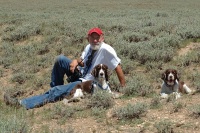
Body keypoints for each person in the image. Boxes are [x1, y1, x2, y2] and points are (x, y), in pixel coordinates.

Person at [4, 27, 126, 109]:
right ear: (88, 38)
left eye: (97, 37)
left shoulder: (106, 49)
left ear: (102, 38)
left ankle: (22, 104)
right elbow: (82, 60)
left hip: (86, 81)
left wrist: (123, 88)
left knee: (57, 90)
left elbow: (117, 66)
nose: (95, 40)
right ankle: (57, 90)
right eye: (92, 37)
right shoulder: (90, 46)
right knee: (60, 60)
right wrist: (75, 61)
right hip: (80, 73)